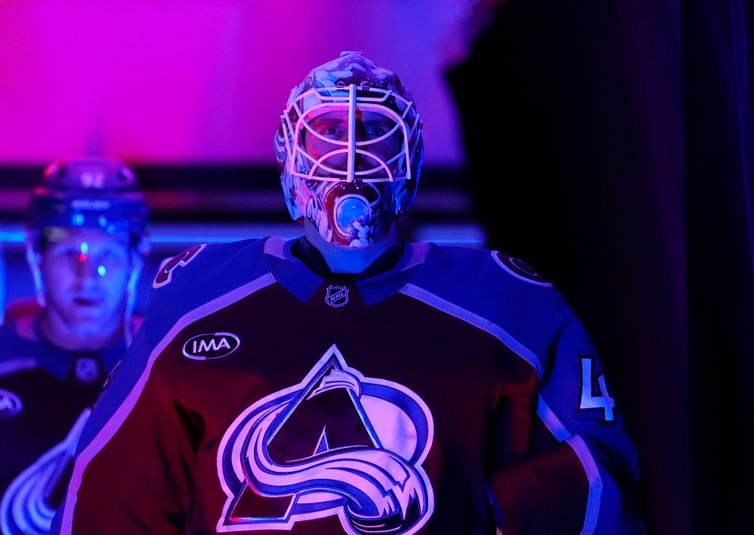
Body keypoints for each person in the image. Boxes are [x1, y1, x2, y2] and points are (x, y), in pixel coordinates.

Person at [53, 52, 641, 534]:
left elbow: (583, 491)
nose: (351, 154)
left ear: (408, 159)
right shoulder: (198, 297)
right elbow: (112, 497)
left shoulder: (508, 305)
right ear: (289, 155)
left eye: (374, 132)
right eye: (331, 131)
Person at [0, 157, 150, 535]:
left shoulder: (169, 366)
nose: (87, 276)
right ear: (35, 254)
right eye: (67, 253)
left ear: (136, 257)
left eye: (106, 254)